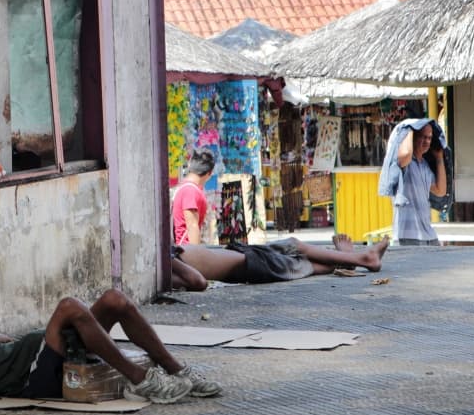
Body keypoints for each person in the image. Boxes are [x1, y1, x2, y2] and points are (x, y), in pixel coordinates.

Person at [0, 289, 222, 404]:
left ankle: (179, 372)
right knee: (69, 306)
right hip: (34, 379)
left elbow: (7, 352)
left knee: (115, 300)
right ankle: (141, 380)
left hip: (44, 356)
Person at [169, 234, 390, 291]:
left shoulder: (163, 260)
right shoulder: (166, 264)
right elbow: (197, 282)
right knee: (297, 252)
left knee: (302, 262)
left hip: (246, 258)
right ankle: (359, 258)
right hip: (250, 264)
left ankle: (347, 259)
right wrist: (171, 259)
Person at [379, 118, 448, 245]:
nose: (427, 141)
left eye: (429, 138)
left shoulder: (425, 166)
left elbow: (440, 190)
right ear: (413, 137)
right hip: (408, 234)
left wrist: (439, 158)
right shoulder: (404, 163)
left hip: (428, 234)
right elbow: (406, 154)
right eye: (423, 137)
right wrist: (410, 129)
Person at [172, 149, 216, 245]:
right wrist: (196, 255)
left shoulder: (185, 187)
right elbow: (192, 226)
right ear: (209, 173)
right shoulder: (190, 190)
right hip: (188, 250)